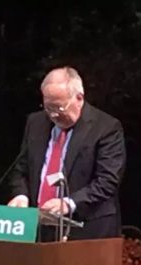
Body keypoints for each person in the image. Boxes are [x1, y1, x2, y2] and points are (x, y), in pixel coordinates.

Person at [7, 67, 126, 240]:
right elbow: (21, 167)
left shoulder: (106, 128)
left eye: (59, 108)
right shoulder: (35, 123)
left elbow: (108, 180)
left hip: (86, 229)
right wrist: (21, 194)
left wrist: (69, 203)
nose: (53, 114)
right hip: (39, 226)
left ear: (79, 98)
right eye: (48, 107)